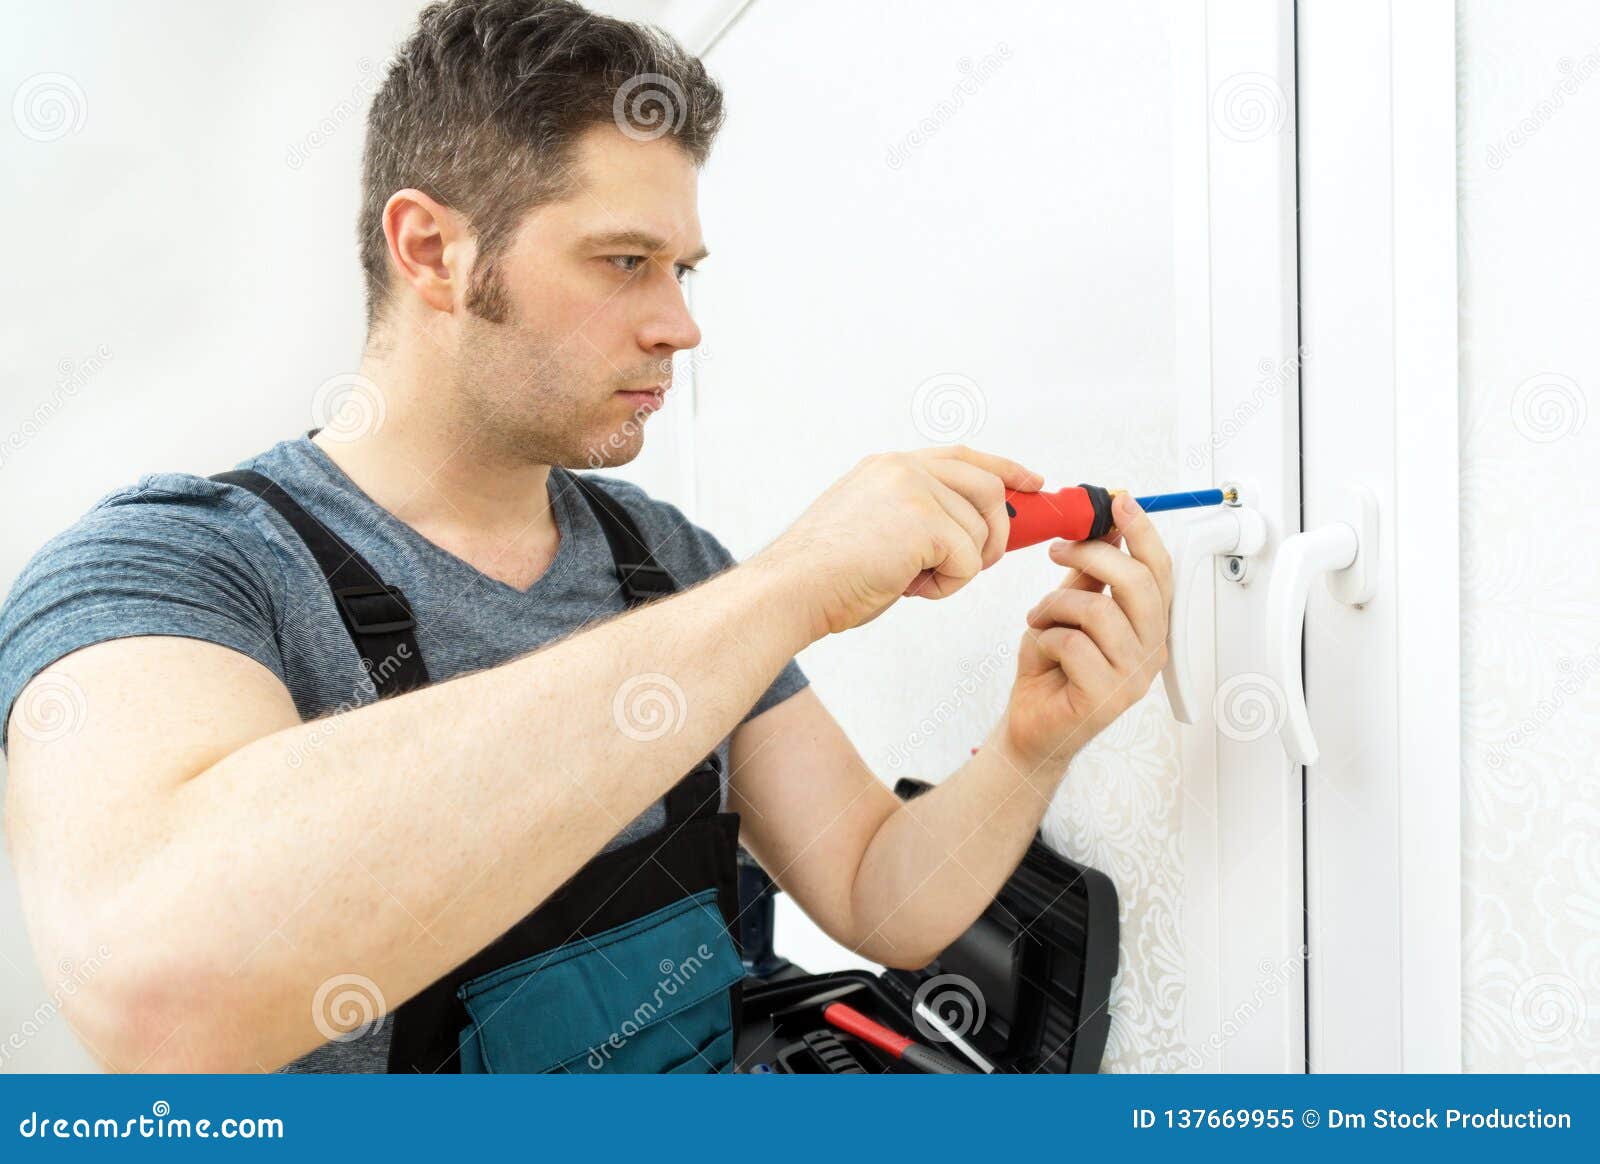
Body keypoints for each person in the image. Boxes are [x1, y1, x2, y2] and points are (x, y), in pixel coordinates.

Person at [0, 0, 1172, 1074]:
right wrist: (790, 586)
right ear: (432, 251)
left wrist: (1028, 747)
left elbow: (874, 886)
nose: (678, 325)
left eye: (682, 271)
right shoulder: (173, 570)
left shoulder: (666, 562)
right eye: (623, 263)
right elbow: (155, 993)